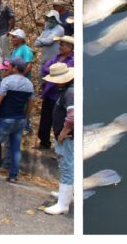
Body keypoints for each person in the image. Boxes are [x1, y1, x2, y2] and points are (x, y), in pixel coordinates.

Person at [0, 58, 35, 183]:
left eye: (10, 66)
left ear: (15, 67)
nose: (8, 68)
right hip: (19, 119)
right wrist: (25, 116)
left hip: (5, 118)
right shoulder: (29, 83)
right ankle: (13, 175)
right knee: (15, 147)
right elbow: (31, 103)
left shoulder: (7, 81)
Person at [42, 62, 75, 215]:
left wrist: (63, 133)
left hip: (67, 137)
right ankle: (66, 193)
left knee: (67, 167)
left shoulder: (70, 93)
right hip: (65, 136)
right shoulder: (66, 90)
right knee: (66, 166)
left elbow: (72, 117)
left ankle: (63, 204)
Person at [36, 35, 74, 150]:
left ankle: (60, 143)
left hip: (60, 96)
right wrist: (52, 70)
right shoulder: (57, 57)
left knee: (59, 120)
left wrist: (52, 70)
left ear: (70, 47)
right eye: (60, 44)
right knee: (45, 118)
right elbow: (45, 68)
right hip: (49, 93)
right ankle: (44, 142)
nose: (59, 47)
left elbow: (61, 72)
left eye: (62, 45)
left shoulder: (72, 60)